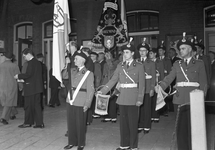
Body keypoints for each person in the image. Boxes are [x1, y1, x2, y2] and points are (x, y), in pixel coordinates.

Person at [155, 33, 207, 150]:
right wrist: (161, 86)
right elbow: (169, 77)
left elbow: (204, 83)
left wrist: (201, 99)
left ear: (190, 50)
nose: (181, 51)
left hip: (194, 100)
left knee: (194, 128)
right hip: (179, 99)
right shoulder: (177, 64)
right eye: (180, 49)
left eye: (183, 49)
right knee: (180, 128)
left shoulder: (199, 64)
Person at [97, 42, 145, 150]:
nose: (125, 54)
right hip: (122, 98)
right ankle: (124, 144)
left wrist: (140, 99)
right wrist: (103, 91)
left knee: (133, 124)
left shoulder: (139, 66)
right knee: (123, 124)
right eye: (124, 52)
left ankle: (133, 146)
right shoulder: (120, 66)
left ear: (132, 53)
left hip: (133, 98)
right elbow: (113, 80)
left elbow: (142, 84)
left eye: (127, 52)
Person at [62, 50, 94, 150]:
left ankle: (81, 143)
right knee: (71, 122)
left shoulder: (88, 73)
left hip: (81, 100)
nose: (74, 60)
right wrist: (66, 65)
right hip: (70, 99)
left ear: (82, 60)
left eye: (76, 59)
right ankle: (72, 142)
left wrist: (87, 103)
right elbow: (64, 76)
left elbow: (91, 90)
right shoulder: (72, 70)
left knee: (80, 123)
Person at [14, 48, 44, 128]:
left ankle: (28, 122)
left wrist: (18, 76)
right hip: (37, 87)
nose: (24, 58)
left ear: (28, 54)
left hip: (30, 88)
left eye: (24, 56)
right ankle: (39, 123)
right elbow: (34, 76)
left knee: (28, 106)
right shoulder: (38, 63)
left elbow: (29, 74)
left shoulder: (31, 63)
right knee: (37, 106)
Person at [136, 39, 156, 134]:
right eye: (140, 51)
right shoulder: (135, 62)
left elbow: (153, 77)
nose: (142, 52)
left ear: (147, 52)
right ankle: (140, 125)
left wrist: (152, 88)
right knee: (138, 108)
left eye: (144, 51)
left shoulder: (151, 63)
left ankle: (147, 126)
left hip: (147, 88)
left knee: (147, 107)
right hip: (137, 89)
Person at [0, 51, 21, 125]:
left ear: (5, 57)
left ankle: (13, 114)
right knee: (9, 101)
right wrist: (21, 86)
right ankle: (3, 118)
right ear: (12, 58)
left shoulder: (1, 65)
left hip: (2, 86)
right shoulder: (14, 66)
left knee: (6, 100)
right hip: (11, 85)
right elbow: (19, 77)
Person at [157, 41, 172, 116]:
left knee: (164, 95)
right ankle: (159, 110)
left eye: (161, 50)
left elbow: (170, 71)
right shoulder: (156, 60)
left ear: (164, 51)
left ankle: (165, 110)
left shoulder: (167, 60)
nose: (159, 52)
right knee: (159, 96)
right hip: (158, 79)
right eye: (158, 50)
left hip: (165, 80)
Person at [148, 48, 162, 123]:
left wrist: (161, 82)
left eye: (151, 53)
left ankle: (156, 115)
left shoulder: (159, 62)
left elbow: (162, 73)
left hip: (157, 82)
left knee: (157, 99)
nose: (150, 55)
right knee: (150, 100)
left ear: (155, 54)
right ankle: (151, 115)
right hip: (150, 82)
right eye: (149, 53)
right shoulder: (148, 62)